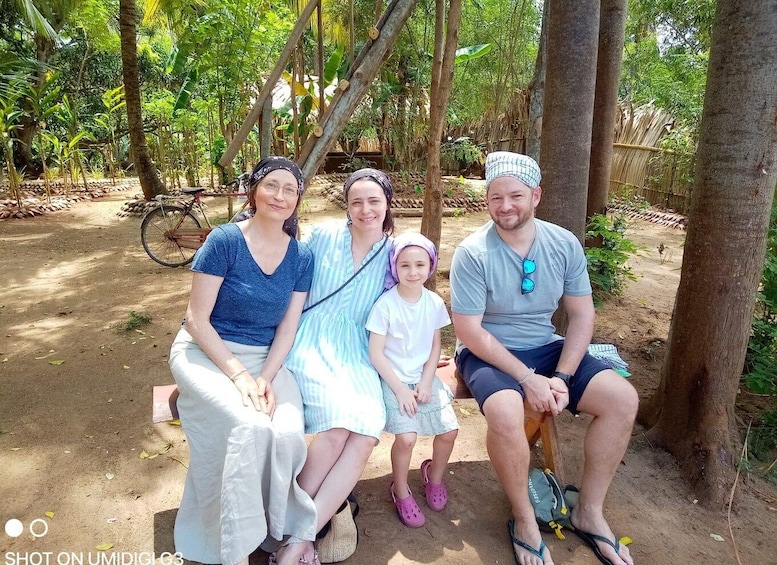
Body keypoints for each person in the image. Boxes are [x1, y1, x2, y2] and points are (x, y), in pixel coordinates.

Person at [450, 151, 638, 565]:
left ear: (536, 195)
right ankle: (525, 520)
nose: (504, 206)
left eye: (515, 195)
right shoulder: (473, 252)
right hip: (488, 351)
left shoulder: (563, 242)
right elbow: (468, 330)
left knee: (622, 400)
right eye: (494, 197)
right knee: (504, 411)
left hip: (547, 346)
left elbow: (582, 313)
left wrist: (564, 377)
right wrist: (528, 378)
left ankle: (589, 513)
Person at [168, 156, 319, 565]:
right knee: (249, 426)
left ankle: (272, 528)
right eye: (272, 185)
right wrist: (240, 378)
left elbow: (287, 328)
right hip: (207, 353)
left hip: (265, 360)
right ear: (254, 190)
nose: (280, 195)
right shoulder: (224, 241)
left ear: (298, 199)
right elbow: (196, 321)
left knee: (286, 433)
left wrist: (266, 377)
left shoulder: (301, 257)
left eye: (290, 189)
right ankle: (229, 536)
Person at [285, 168, 394, 537]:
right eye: (356, 202)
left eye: (374, 201)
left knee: (366, 430)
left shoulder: (395, 253)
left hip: (358, 350)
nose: (366, 210)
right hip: (311, 339)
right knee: (337, 427)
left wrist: (417, 354)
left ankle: (299, 539)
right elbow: (290, 283)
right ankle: (287, 520)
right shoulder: (324, 236)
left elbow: (406, 309)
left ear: (387, 204)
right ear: (347, 206)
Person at [366, 232, 459, 528]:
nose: (413, 271)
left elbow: (435, 347)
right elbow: (376, 354)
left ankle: (434, 477)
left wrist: (428, 380)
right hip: (394, 380)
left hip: (424, 379)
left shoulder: (433, 302)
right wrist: (401, 391)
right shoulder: (385, 305)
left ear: (430, 266)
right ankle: (401, 489)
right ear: (394, 267)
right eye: (404, 265)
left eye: (420, 264)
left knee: (449, 431)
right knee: (406, 438)